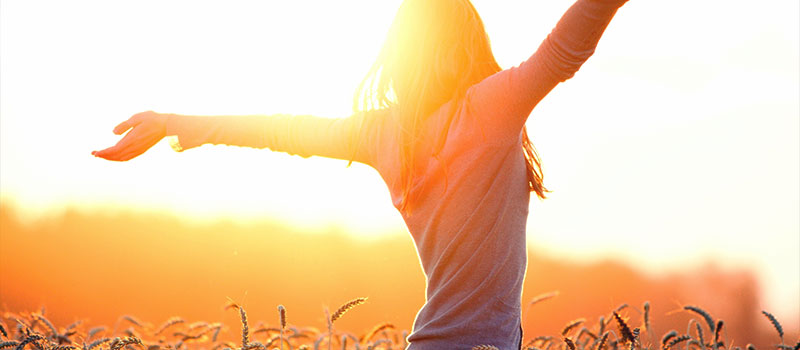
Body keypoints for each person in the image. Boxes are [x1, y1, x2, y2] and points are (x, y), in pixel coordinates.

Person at [93, 0, 629, 348]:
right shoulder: (487, 111)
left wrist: (171, 123)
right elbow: (562, 51)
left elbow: (280, 131)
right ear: (457, 51)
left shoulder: (384, 135)